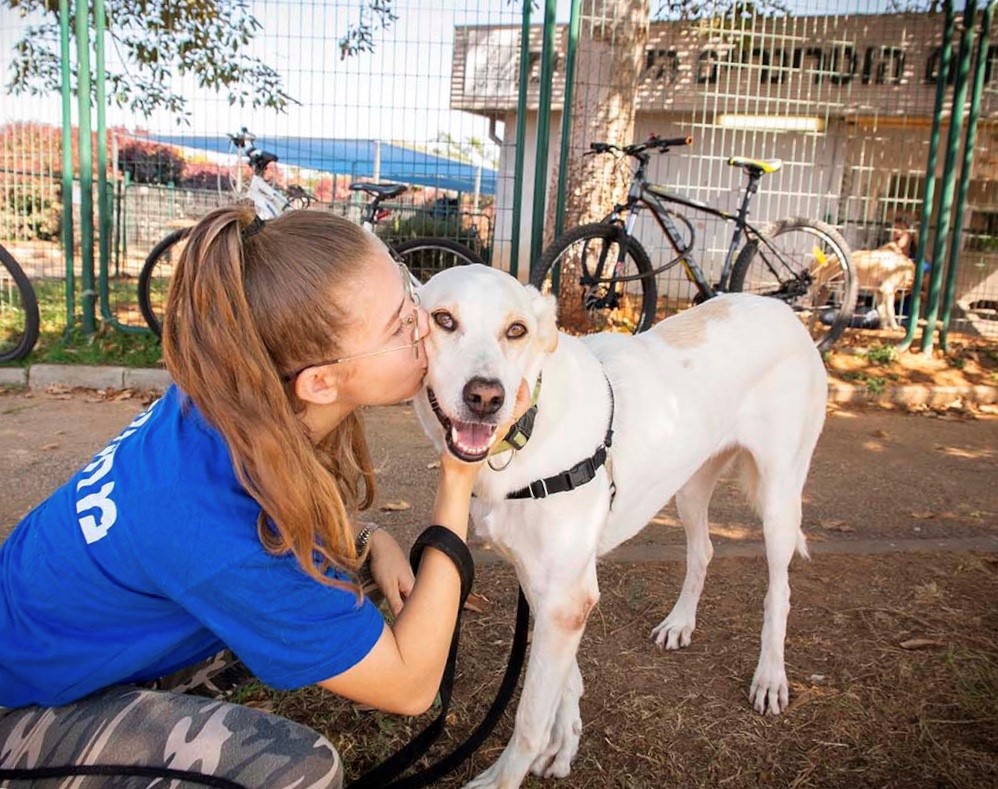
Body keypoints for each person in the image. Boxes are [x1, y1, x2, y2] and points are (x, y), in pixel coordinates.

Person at [0, 204, 527, 788]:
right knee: (299, 772)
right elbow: (410, 687)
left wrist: (368, 539)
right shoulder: (223, 528)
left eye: (410, 292)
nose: (424, 324)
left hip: (45, 640)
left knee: (332, 574)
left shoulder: (232, 393)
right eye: (402, 324)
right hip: (16, 709)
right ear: (320, 382)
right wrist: (457, 479)